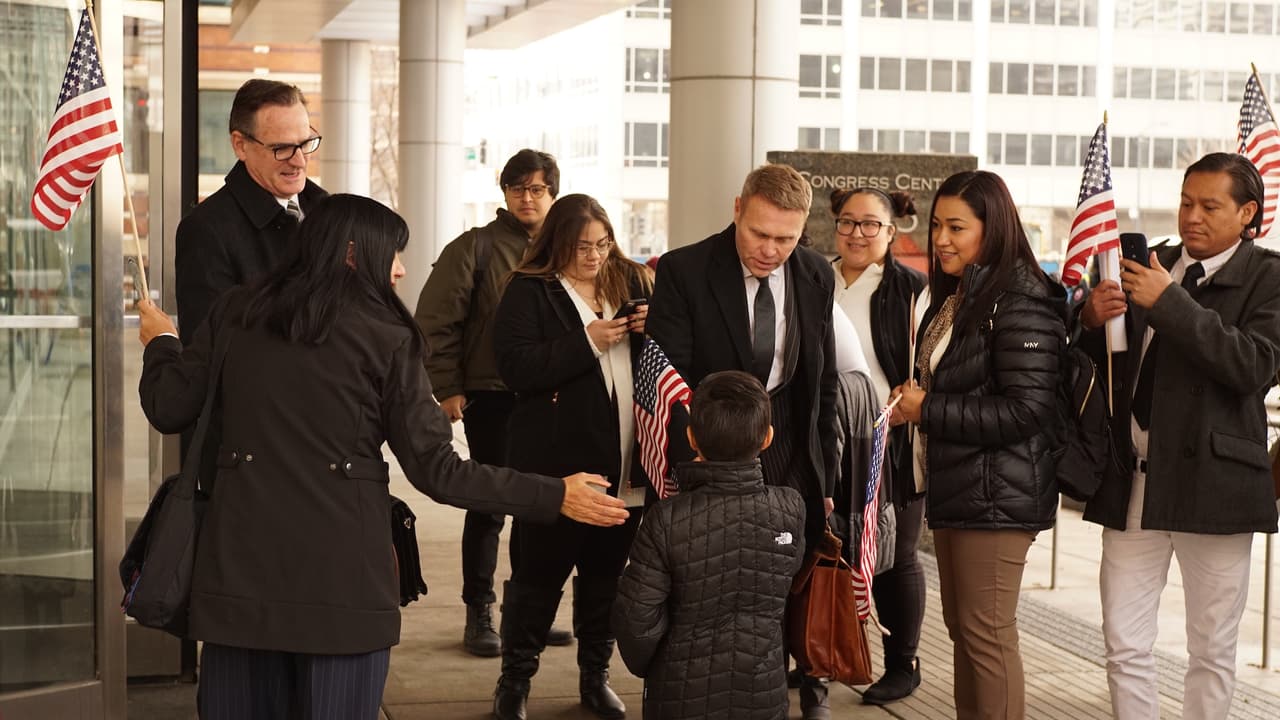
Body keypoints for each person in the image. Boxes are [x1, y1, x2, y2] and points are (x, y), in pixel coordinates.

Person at [134, 194, 630, 720]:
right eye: (393, 253)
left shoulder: (236, 312)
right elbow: (438, 470)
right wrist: (554, 494)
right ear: (353, 253)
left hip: (237, 583)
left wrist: (162, 341)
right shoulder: (387, 337)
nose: (399, 269)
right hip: (343, 588)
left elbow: (169, 406)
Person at [1077, 152, 1280, 719]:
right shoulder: (1149, 262)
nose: (1192, 216)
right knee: (1123, 642)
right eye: (1186, 202)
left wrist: (1169, 302)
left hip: (1215, 487)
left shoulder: (1269, 276)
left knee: (1211, 649)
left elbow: (1254, 366)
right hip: (1133, 482)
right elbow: (1105, 365)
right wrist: (1090, 320)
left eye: (1210, 206)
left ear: (1247, 213)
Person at [646, 163, 839, 720]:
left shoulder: (814, 274)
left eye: (786, 238)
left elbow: (822, 382)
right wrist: (687, 474)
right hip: (710, 450)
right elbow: (669, 386)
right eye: (759, 233)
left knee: (782, 582)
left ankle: (797, 686)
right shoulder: (684, 270)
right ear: (737, 209)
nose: (771, 250)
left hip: (788, 452)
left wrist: (825, 477)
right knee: (706, 589)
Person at [889, 170, 1064, 720]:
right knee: (965, 632)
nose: (941, 239)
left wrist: (927, 408)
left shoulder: (1021, 299)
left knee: (986, 634)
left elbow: (1027, 410)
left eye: (957, 227)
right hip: (961, 487)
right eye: (937, 225)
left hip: (997, 496)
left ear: (994, 229)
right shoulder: (962, 293)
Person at [489, 194, 652, 720]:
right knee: (538, 579)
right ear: (557, 243)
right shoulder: (529, 289)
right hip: (557, 468)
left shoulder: (631, 278)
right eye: (583, 247)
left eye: (603, 244)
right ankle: (515, 681)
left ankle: (595, 678)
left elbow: (670, 356)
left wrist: (651, 330)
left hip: (626, 462)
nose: (595, 256)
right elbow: (516, 369)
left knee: (606, 579)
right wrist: (588, 341)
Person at [413, 148, 572, 656]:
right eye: (517, 188)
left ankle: (526, 612)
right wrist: (447, 387)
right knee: (489, 507)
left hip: (552, 396)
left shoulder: (567, 247)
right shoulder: (475, 247)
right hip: (493, 396)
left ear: (553, 194)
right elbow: (435, 322)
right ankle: (478, 610)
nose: (527, 198)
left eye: (537, 189)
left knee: (541, 508)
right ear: (504, 192)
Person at [612, 370, 805, 720]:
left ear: (691, 437)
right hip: (764, 695)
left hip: (679, 698)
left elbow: (635, 620)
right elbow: (788, 572)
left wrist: (656, 667)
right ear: (767, 437)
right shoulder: (790, 508)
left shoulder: (665, 519)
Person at [829, 187, 928, 705]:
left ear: (891, 232)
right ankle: (822, 655)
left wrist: (913, 392)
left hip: (891, 441)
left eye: (870, 224)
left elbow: (933, 361)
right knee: (825, 550)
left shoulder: (912, 290)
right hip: (826, 439)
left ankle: (902, 663)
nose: (857, 234)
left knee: (896, 554)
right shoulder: (813, 278)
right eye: (847, 222)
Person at [175, 78, 327, 340]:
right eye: (282, 148)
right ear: (240, 145)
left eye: (305, 143)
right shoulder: (205, 231)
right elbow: (209, 347)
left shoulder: (329, 212)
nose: (300, 161)